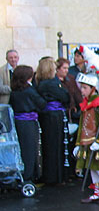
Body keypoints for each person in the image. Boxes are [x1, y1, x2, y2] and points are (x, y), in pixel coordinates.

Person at [73, 48, 99, 204]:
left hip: (96, 142)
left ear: (92, 88)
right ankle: (97, 192)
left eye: (84, 88)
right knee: (91, 168)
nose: (82, 91)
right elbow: (82, 126)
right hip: (87, 141)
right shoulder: (86, 104)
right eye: (81, 87)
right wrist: (78, 143)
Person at [36, 56, 72, 185]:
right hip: (54, 116)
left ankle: (51, 175)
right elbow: (65, 96)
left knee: (48, 145)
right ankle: (56, 176)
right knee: (56, 145)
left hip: (47, 115)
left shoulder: (39, 82)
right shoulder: (51, 83)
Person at [9, 65, 46, 182]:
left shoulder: (14, 91)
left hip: (18, 121)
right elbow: (41, 104)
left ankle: (24, 174)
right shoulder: (29, 90)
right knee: (30, 149)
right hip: (29, 122)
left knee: (22, 148)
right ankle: (29, 176)